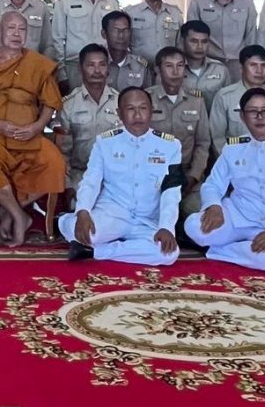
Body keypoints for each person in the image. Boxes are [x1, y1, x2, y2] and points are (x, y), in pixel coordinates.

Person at [184, 87, 265, 273]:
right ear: (243, 117)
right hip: (238, 218)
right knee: (193, 226)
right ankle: (243, 249)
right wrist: (214, 206)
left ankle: (218, 251)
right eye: (253, 111)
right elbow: (213, 184)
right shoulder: (233, 148)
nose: (260, 117)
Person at [0, 11, 65, 247]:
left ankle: (10, 210)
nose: (16, 34)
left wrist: (36, 127)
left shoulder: (37, 64)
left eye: (21, 29)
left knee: (55, 162)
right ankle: (20, 217)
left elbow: (50, 103)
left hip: (28, 134)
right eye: (10, 28)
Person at [60, 86, 183, 266]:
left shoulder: (171, 146)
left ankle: (94, 252)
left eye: (143, 108)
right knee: (80, 231)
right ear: (119, 113)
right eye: (130, 109)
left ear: (151, 110)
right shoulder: (105, 142)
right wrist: (83, 211)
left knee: (168, 254)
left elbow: (171, 192)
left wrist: (166, 227)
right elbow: (91, 181)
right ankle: (65, 220)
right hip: (113, 214)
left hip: (147, 220)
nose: (138, 115)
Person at [146, 46, 212, 217]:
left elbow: (203, 143)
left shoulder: (196, 101)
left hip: (188, 175)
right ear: (158, 70)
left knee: (200, 214)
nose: (175, 72)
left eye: (180, 66)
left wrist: (193, 177)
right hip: (153, 175)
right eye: (169, 66)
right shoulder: (146, 99)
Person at [54, 44, 121, 190]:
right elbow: (62, 154)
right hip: (80, 177)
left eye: (102, 65)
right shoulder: (68, 105)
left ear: (108, 68)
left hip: (116, 177)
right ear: (80, 68)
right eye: (91, 65)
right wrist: (67, 187)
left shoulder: (121, 102)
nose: (97, 71)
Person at [187, 0, 258, 82]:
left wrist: (250, 64)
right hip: (209, 64)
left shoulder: (246, 2)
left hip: (238, 65)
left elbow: (251, 37)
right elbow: (191, 36)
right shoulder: (198, 1)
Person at [52, 0, 121, 88]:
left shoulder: (111, 2)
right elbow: (57, 38)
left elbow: (116, 37)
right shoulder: (66, 1)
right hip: (75, 67)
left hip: (104, 67)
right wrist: (61, 72)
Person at [208, 45, 265, 147]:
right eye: (253, 65)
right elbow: (217, 138)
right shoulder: (225, 97)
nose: (259, 71)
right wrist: (229, 157)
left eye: (264, 65)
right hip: (236, 155)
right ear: (241, 68)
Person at [124, 0, 183, 64]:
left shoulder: (175, 14)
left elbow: (180, 45)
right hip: (138, 68)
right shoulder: (130, 13)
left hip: (167, 68)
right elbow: (122, 45)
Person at [178, 20, 230, 110]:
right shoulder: (174, 69)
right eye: (194, 41)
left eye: (204, 42)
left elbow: (227, 103)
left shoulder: (220, 70)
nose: (200, 47)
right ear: (183, 41)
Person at [101, 10, 154, 91]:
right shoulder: (97, 63)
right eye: (116, 30)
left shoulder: (140, 66)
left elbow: (149, 94)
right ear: (104, 34)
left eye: (126, 30)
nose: (121, 36)